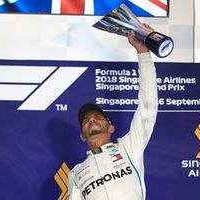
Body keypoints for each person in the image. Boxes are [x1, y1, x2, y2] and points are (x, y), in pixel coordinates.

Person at [68, 30, 158, 200]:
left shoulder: (128, 147)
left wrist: (144, 54)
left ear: (111, 127)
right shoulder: (76, 173)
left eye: (96, 116)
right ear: (82, 136)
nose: (91, 119)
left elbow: (148, 105)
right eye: (86, 120)